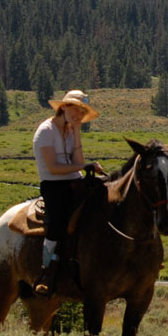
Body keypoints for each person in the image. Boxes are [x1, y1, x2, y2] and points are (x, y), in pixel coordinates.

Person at [32, 90, 106, 296]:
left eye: (82, 112)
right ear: (63, 108)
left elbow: (76, 161)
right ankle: (47, 270)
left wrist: (78, 132)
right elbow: (54, 167)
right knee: (57, 221)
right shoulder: (45, 131)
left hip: (74, 181)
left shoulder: (71, 131)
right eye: (76, 109)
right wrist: (84, 167)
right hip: (54, 184)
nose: (79, 114)